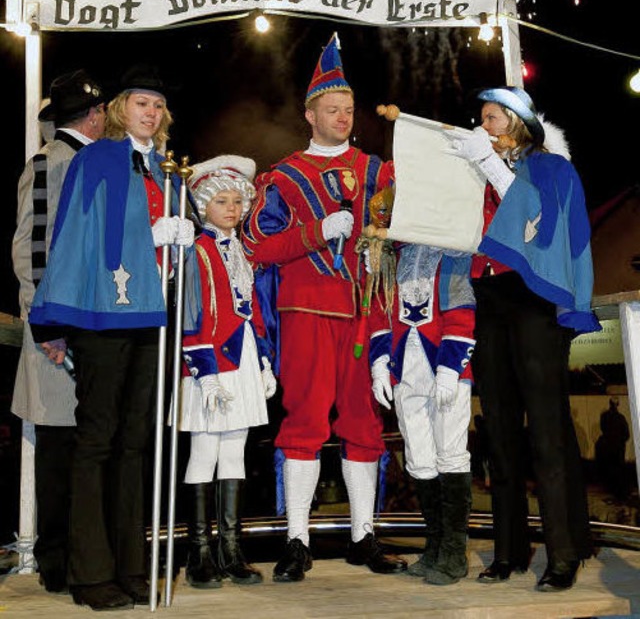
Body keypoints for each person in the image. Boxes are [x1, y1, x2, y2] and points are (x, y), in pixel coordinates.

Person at [29, 65, 200, 611]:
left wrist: (185, 234)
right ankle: (90, 571)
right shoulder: (96, 159)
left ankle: (131, 565)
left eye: (158, 105)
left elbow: (179, 236)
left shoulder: (168, 169)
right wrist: (143, 236)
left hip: (153, 317)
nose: (150, 113)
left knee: (135, 445)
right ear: (121, 108)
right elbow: (74, 234)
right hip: (105, 316)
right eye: (141, 103)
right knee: (97, 441)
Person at [243, 33, 407, 582]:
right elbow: (257, 246)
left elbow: (400, 243)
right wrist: (315, 231)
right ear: (309, 113)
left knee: (364, 423)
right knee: (304, 423)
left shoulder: (378, 171)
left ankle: (364, 536)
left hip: (363, 311)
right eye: (332, 109)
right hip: (306, 312)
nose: (343, 116)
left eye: (349, 109)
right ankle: (296, 540)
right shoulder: (283, 177)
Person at [447, 86, 601, 593]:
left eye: (491, 118)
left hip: (534, 299)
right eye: (482, 118)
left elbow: (535, 219)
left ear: (515, 122)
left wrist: (489, 165)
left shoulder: (550, 167)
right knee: (500, 431)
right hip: (489, 297)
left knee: (547, 434)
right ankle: (509, 551)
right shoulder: (479, 167)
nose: (482, 126)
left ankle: (563, 552)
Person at [12, 70, 106, 593]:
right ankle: (56, 561)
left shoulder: (83, 162)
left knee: (75, 446)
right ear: (92, 116)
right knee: (58, 448)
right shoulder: (53, 163)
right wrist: (47, 325)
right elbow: (34, 248)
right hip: (58, 329)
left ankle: (76, 557)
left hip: (79, 326)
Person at [179, 155, 276, 589]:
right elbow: (192, 315)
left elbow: (251, 309)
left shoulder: (240, 248)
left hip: (243, 358)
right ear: (203, 206)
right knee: (204, 452)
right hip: (209, 365)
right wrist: (207, 372)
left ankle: (231, 549)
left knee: (235, 451)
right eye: (222, 200)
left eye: (237, 201)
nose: (232, 209)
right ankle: (198, 552)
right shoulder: (196, 250)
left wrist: (263, 361)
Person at [369, 243, 475, 586]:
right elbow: (380, 311)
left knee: (451, 453)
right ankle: (435, 545)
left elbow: (461, 307)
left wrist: (450, 367)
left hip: (443, 362)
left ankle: (454, 552)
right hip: (405, 365)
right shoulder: (393, 256)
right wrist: (380, 364)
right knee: (419, 457)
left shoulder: (453, 250)